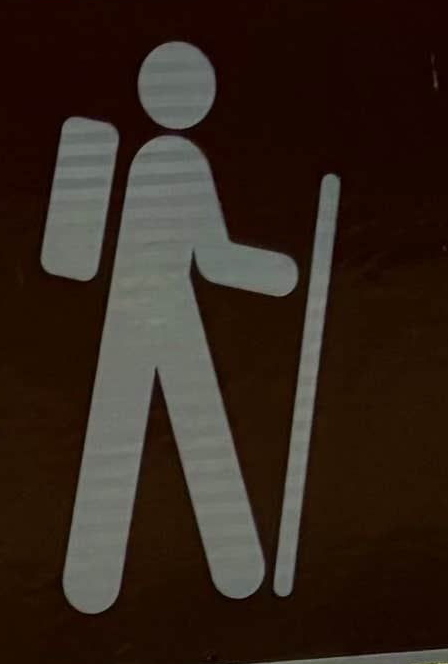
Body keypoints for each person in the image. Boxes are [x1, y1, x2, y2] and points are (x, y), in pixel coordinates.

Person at [57, 40, 296, 612]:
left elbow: (71, 254)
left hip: (139, 317)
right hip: (161, 316)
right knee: (198, 433)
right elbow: (214, 259)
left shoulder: (113, 148)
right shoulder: (168, 159)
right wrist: (282, 273)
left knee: (131, 439)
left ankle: (103, 585)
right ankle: (235, 573)